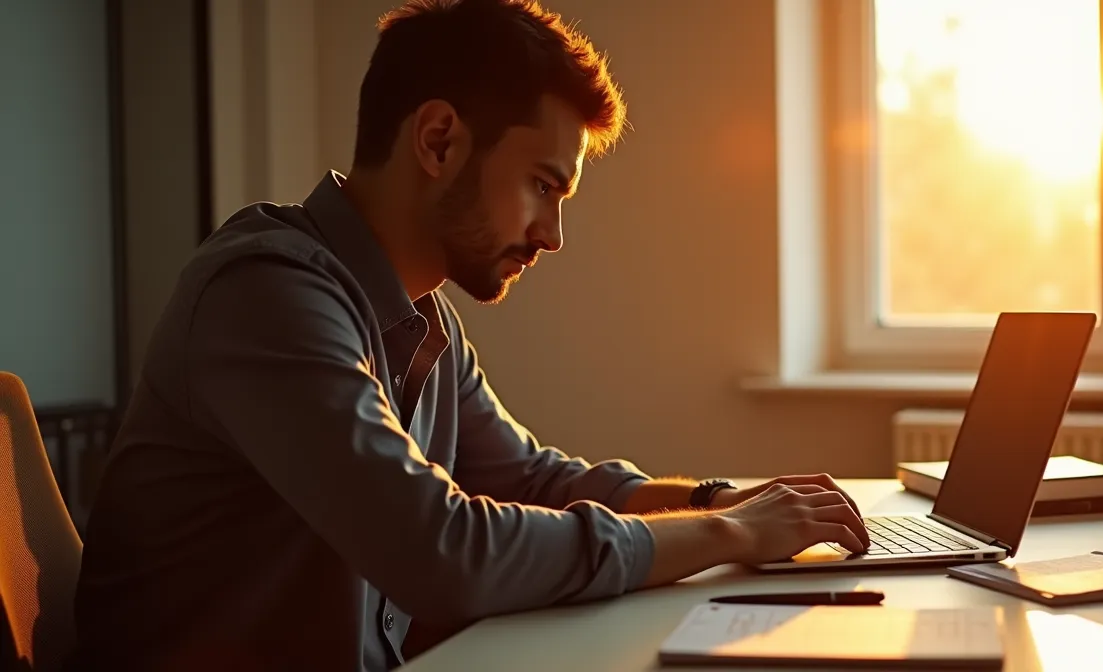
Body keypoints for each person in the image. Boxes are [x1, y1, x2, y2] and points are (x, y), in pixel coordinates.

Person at [69, 1, 871, 670]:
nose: (552, 234)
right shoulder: (266, 296)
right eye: (542, 185)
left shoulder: (422, 321)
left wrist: (717, 498)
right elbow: (445, 552)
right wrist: (728, 534)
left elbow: (534, 480)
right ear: (438, 140)